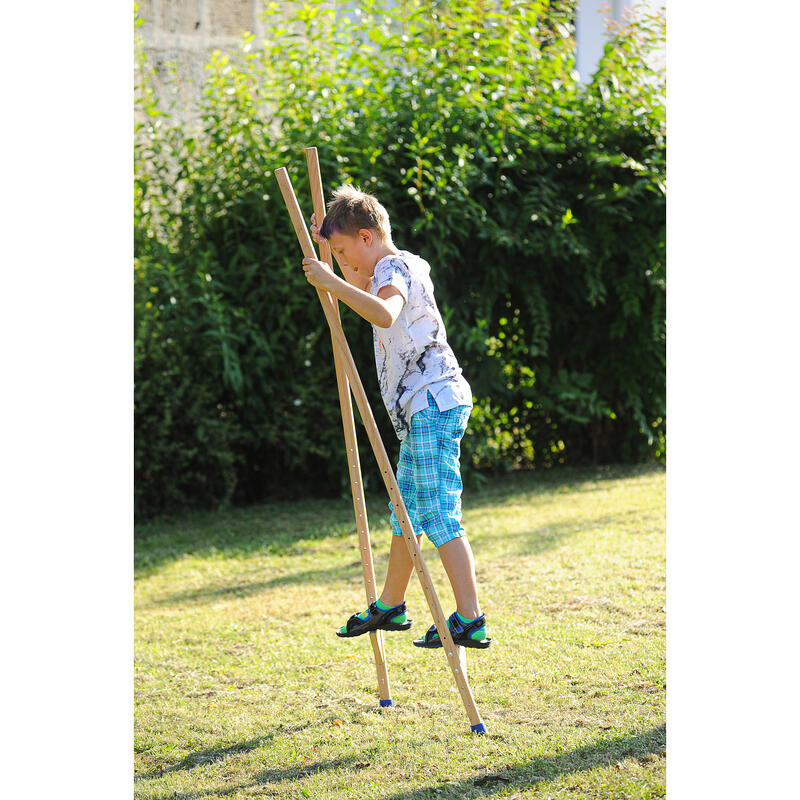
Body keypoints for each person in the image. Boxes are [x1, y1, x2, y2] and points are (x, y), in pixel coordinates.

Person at [302, 184, 490, 650]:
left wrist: (332, 281)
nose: (344, 265)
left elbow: (384, 312)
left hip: (433, 403)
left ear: (368, 238)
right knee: (405, 512)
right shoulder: (391, 264)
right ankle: (392, 603)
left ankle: (471, 618)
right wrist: (329, 247)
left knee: (439, 513)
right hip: (423, 407)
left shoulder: (394, 267)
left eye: (346, 253)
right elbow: (365, 290)